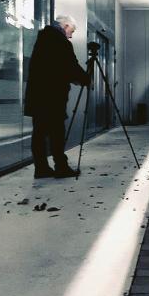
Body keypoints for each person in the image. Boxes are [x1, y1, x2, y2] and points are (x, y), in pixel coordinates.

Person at [25, 15, 90, 178]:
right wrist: (85, 79)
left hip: (38, 95)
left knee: (39, 133)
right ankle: (61, 167)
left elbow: (55, 67)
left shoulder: (42, 40)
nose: (71, 35)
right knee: (57, 133)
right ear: (65, 25)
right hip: (52, 97)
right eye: (72, 31)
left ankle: (41, 168)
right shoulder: (60, 42)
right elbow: (70, 66)